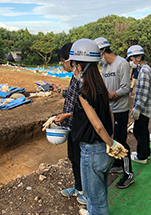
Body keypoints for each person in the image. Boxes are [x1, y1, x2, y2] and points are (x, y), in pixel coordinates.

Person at [68, 38, 128, 215]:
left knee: (94, 200)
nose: (73, 69)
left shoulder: (84, 91)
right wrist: (112, 140)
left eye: (74, 65)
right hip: (104, 151)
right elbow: (108, 114)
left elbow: (97, 125)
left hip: (92, 151)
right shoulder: (101, 87)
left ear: (80, 66)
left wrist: (111, 143)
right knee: (101, 194)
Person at [94, 37, 134, 189]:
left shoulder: (122, 63)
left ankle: (129, 174)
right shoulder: (104, 67)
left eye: (97, 54)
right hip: (110, 109)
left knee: (121, 141)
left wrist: (112, 94)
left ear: (103, 51)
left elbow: (126, 87)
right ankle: (117, 165)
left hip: (121, 109)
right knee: (112, 139)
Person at [50, 43, 87, 205]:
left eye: (62, 61)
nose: (62, 64)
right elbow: (72, 96)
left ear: (70, 60)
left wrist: (67, 114)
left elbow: (87, 108)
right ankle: (78, 188)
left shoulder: (84, 78)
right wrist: (59, 91)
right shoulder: (75, 75)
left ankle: (86, 192)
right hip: (71, 125)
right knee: (73, 157)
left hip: (80, 126)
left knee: (81, 159)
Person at [126, 45, 151, 164]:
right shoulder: (145, 69)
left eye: (131, 59)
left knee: (139, 131)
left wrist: (137, 109)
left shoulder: (144, 71)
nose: (131, 62)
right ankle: (146, 153)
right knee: (143, 130)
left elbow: (143, 93)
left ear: (138, 57)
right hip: (146, 108)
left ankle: (142, 156)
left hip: (143, 109)